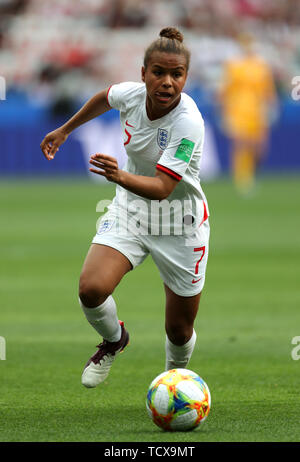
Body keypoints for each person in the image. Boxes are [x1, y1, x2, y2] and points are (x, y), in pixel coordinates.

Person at [40, 27, 210, 389]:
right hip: (131, 212)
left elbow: (164, 189)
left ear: (185, 77)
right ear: (143, 72)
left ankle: (172, 382)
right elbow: (105, 97)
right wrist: (65, 129)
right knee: (91, 289)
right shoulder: (131, 95)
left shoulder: (188, 122)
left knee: (179, 329)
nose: (167, 82)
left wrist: (118, 176)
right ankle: (115, 340)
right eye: (159, 73)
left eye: (176, 75)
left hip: (180, 224)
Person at [219, 34, 277, 195]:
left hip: (258, 110)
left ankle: (253, 173)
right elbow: (225, 89)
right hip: (238, 109)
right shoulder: (234, 65)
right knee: (241, 143)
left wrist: (272, 106)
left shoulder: (261, 66)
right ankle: (242, 178)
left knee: (259, 146)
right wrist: (224, 111)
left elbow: (268, 90)